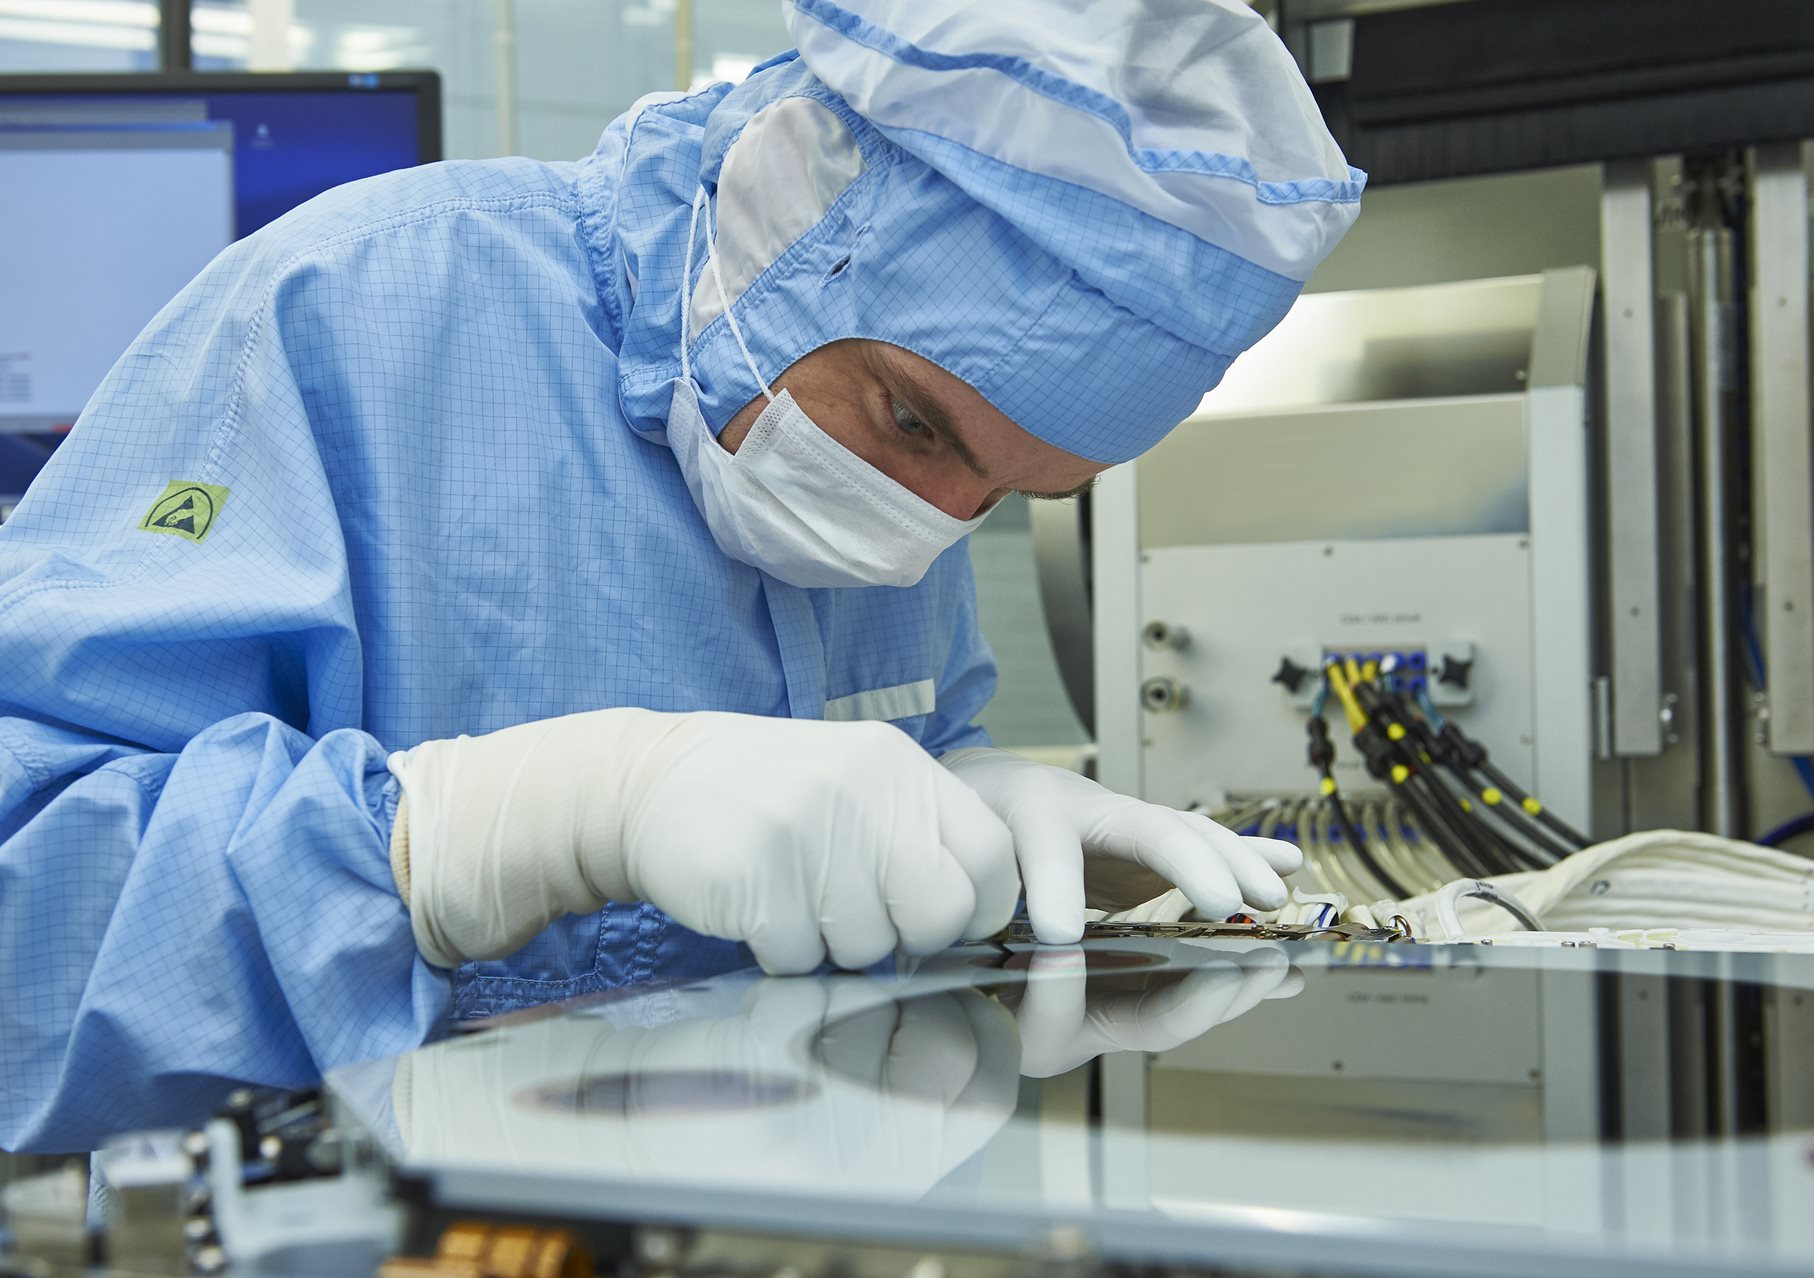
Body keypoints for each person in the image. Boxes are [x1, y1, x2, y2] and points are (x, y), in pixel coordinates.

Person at [0, 0, 1361, 1151]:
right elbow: (29, 928)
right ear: (796, 195)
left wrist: (968, 808)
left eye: (1009, 492)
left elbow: (861, 801)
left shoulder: (886, 490)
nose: (928, 519)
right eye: (914, 423)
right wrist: (473, 835)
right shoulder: (355, 309)